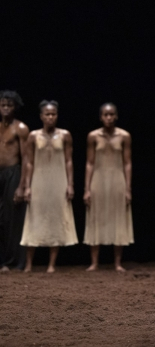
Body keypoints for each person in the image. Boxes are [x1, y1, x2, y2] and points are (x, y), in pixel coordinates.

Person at [21, 101, 78, 273]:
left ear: (57, 115)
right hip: (39, 181)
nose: (50, 117)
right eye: (47, 114)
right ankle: (29, 263)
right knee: (34, 219)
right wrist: (27, 186)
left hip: (58, 181)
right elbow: (29, 162)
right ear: (41, 116)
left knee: (56, 219)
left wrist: (70, 184)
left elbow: (69, 161)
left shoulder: (65, 135)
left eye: (53, 114)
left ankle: (51, 264)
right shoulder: (33, 136)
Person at [83, 103, 133, 272]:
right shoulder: (93, 136)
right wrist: (87, 189)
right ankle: (94, 262)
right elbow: (89, 163)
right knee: (96, 217)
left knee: (118, 218)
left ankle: (117, 263)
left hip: (117, 179)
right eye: (106, 114)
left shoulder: (124, 136)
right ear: (101, 117)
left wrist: (128, 188)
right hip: (98, 179)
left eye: (112, 114)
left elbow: (127, 163)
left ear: (116, 116)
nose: (109, 118)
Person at [0, 91, 29, 271]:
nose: (5, 108)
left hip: (13, 173)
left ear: (15, 107)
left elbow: (26, 158)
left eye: (9, 105)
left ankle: (14, 262)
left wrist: (22, 186)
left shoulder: (21, 128)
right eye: (3, 105)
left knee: (13, 219)